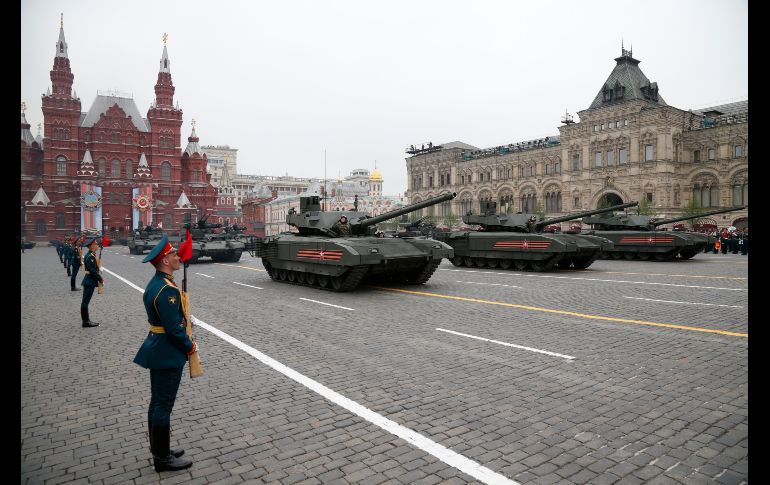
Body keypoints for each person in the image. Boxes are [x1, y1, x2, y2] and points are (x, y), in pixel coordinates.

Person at [133, 234, 195, 472]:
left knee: (157, 402)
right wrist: (189, 346)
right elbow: (173, 328)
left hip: (158, 347)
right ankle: (162, 459)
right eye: (173, 254)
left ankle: (160, 449)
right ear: (165, 260)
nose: (178, 257)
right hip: (167, 351)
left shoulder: (159, 283)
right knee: (163, 405)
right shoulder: (166, 290)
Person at [80, 237, 102, 327]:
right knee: (85, 302)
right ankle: (85, 321)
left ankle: (86, 320)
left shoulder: (91, 255)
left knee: (85, 301)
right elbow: (92, 271)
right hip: (89, 281)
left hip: (89, 280)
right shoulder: (90, 257)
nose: (97, 246)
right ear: (91, 246)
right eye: (96, 244)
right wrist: (100, 278)